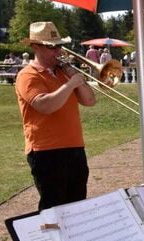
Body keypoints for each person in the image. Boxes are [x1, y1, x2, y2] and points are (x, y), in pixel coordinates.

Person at [15, 22, 96, 211]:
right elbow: (45, 105)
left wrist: (77, 81)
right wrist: (70, 85)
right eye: (51, 47)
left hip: (75, 148)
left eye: (59, 46)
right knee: (54, 208)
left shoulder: (63, 73)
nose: (58, 51)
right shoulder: (28, 75)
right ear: (35, 47)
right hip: (46, 151)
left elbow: (90, 101)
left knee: (77, 205)